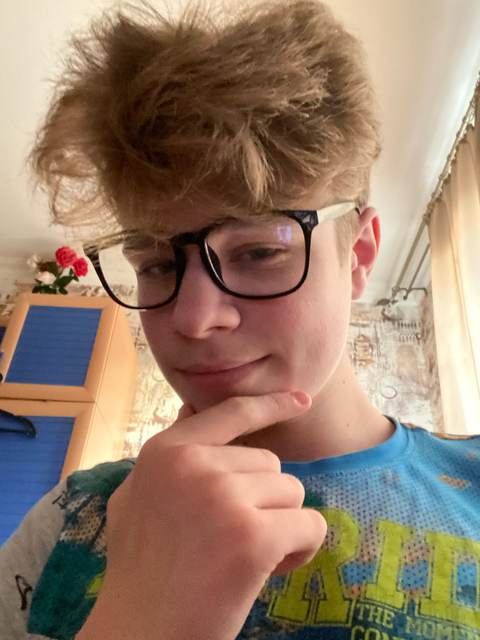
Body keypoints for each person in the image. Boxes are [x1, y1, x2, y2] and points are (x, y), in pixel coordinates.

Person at [1, 0, 479, 638]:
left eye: (258, 252)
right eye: (157, 264)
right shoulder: (75, 514)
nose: (194, 319)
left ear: (359, 256)